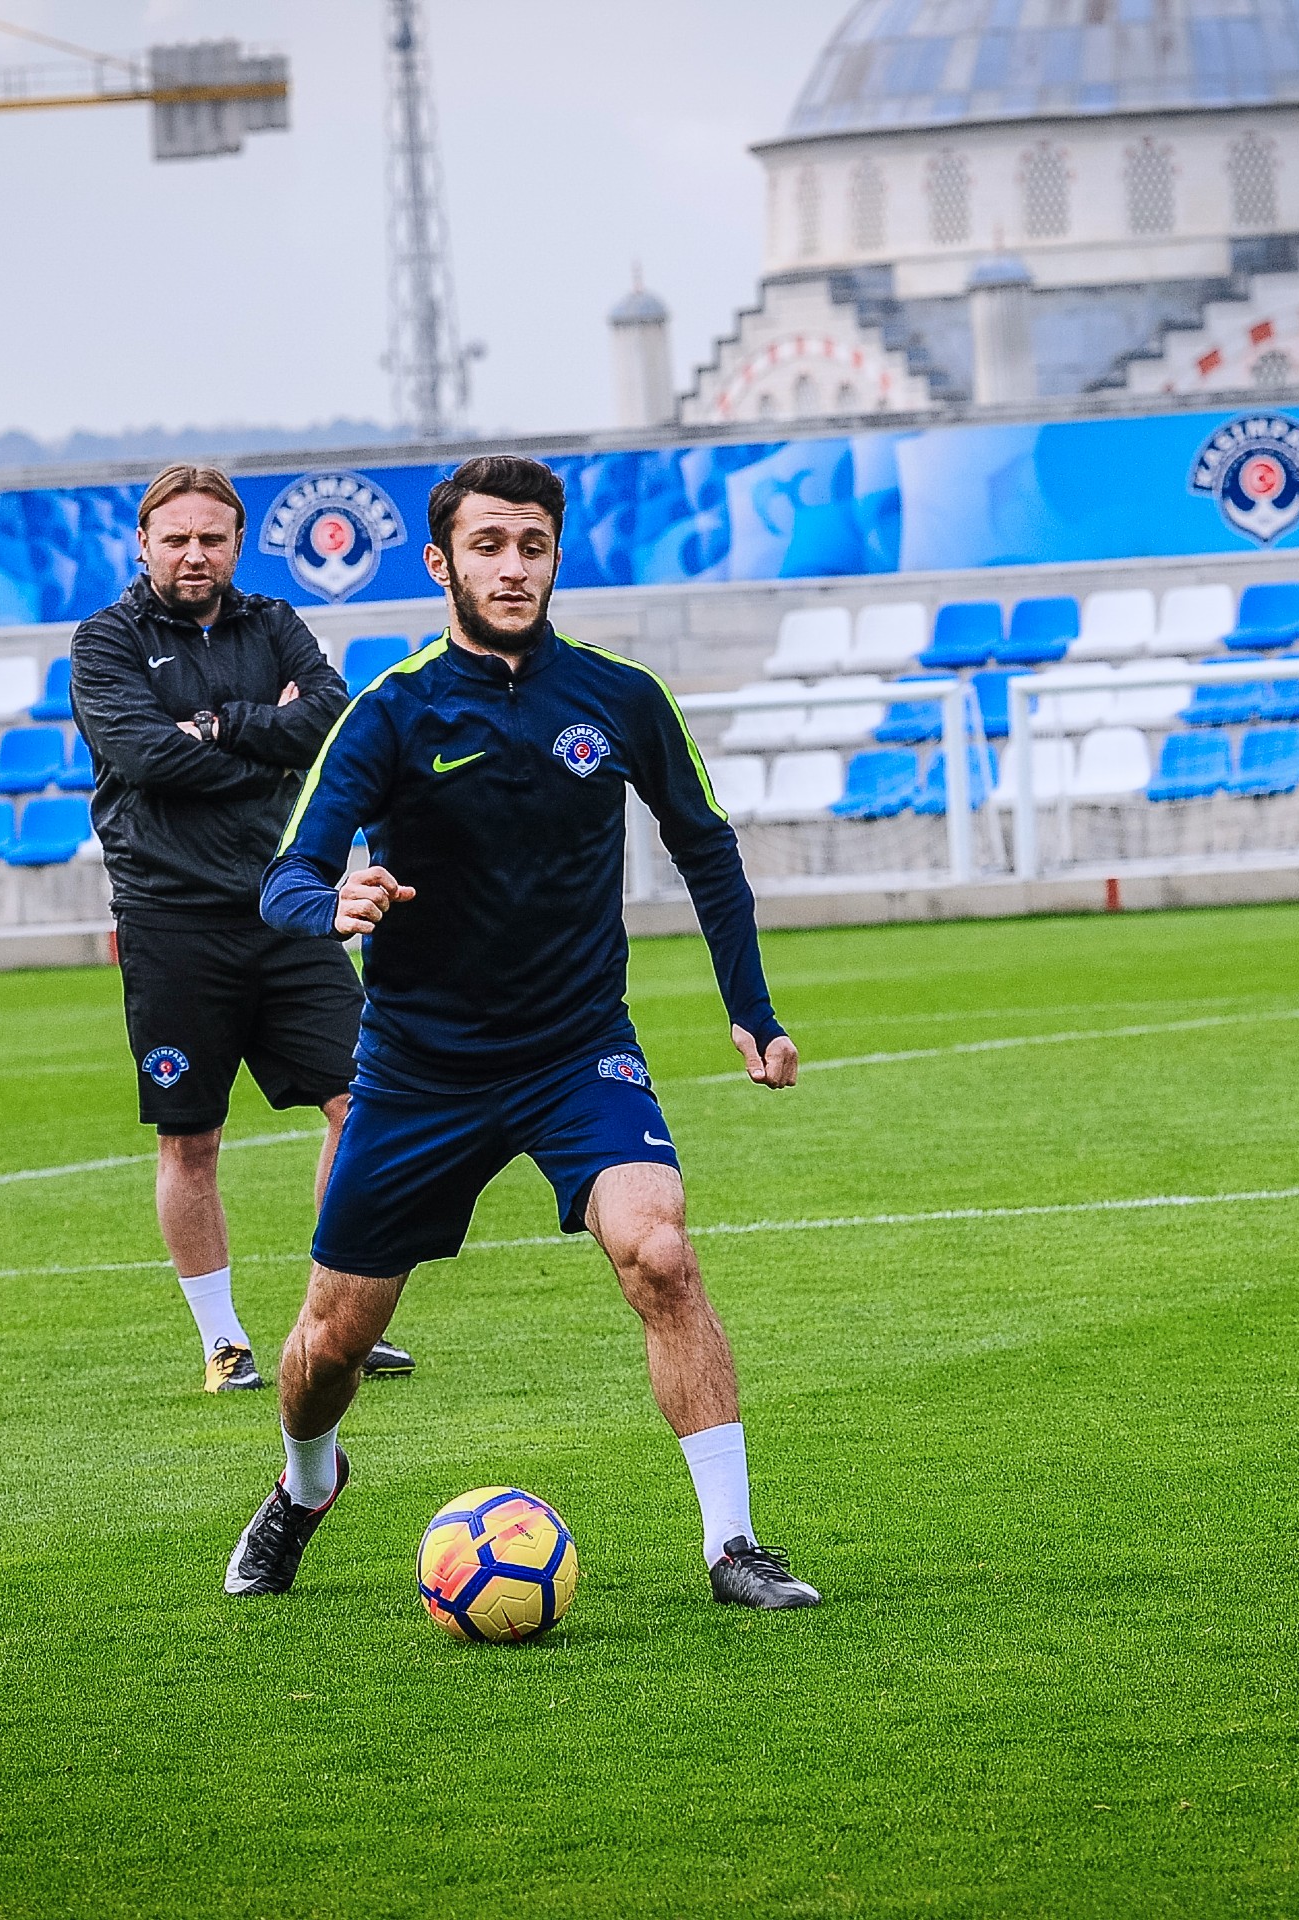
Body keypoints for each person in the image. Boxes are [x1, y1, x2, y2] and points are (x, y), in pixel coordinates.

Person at [226, 452, 819, 1610]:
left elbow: (706, 846)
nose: (512, 568)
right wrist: (331, 902)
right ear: (441, 562)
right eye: (488, 547)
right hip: (417, 1071)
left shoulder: (620, 697)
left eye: (532, 547)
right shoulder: (390, 711)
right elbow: (286, 875)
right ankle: (306, 1484)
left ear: (555, 558)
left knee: (661, 1253)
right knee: (329, 1348)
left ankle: (734, 1544)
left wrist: (751, 1010)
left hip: (576, 1050)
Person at [71, 463, 413, 1393]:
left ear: (236, 544)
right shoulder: (105, 640)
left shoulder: (274, 623)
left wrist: (214, 727)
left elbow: (333, 720)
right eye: (176, 538)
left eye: (211, 538)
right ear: (143, 544)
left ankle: (335, 1317)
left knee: (363, 1103)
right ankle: (223, 1342)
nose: (194, 554)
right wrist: (267, 743)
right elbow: (143, 755)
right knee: (192, 1139)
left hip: (287, 906)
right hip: (170, 919)